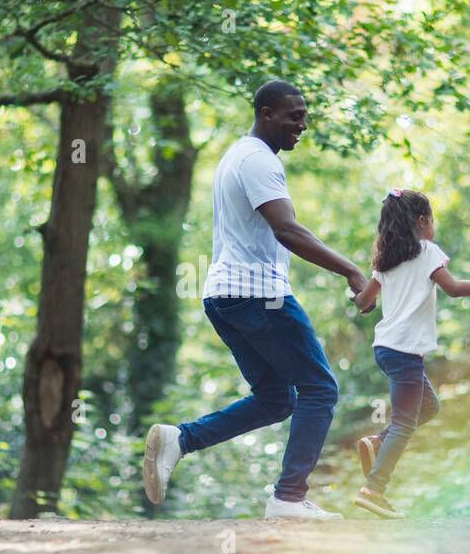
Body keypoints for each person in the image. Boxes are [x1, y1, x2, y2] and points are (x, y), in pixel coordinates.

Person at [142, 80, 367, 520]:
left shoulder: (237, 155)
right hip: (258, 295)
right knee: (320, 389)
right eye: (293, 116)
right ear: (266, 113)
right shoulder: (259, 161)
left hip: (224, 297)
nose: (301, 125)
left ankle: (180, 440)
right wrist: (351, 270)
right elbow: (288, 230)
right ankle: (288, 498)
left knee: (275, 399)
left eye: (304, 116)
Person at [349, 189, 470, 518]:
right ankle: (374, 489)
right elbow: (452, 288)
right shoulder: (426, 252)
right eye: (432, 219)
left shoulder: (387, 260)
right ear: (422, 221)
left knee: (430, 407)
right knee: (406, 422)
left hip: (386, 349)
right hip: (405, 350)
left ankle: (379, 443)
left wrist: (355, 294)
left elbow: (364, 302)